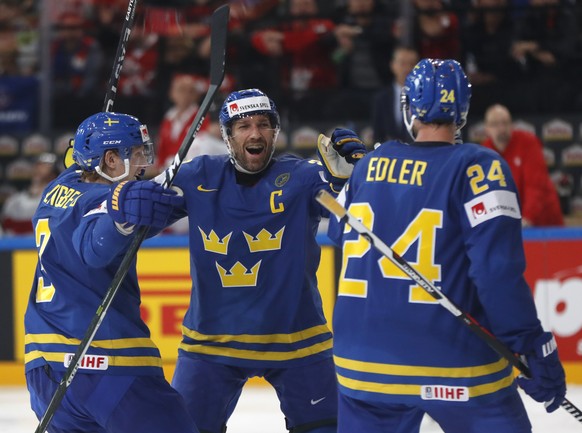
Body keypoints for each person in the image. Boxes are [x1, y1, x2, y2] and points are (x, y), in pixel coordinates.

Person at [327, 59, 566, 432]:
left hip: (361, 365)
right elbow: (496, 272)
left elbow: (341, 235)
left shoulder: (369, 164)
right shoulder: (480, 166)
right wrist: (532, 346)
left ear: (409, 108)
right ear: (463, 111)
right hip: (453, 364)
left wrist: (363, 176)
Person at [160, 88, 366, 433]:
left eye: (263, 124)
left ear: (275, 132)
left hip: (298, 341)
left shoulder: (305, 177)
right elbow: (138, 218)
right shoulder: (197, 175)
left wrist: (352, 180)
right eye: (242, 126)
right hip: (211, 345)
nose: (254, 133)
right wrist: (125, 200)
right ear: (227, 136)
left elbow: (353, 224)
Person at [24, 112, 199, 433]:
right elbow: (94, 246)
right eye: (136, 154)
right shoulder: (103, 202)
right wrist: (121, 218)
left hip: (45, 372)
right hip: (109, 367)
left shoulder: (58, 187)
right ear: (110, 159)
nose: (144, 163)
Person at [482, 103, 564, 227]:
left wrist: (527, 219)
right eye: (495, 124)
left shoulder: (528, 143)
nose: (502, 129)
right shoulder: (484, 151)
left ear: (512, 125)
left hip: (543, 222)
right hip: (511, 224)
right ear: (486, 129)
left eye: (505, 123)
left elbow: (535, 186)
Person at [1, 152, 59, 235]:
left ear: (54, 173)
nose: (39, 168)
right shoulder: (14, 200)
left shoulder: (57, 200)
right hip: (16, 245)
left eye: (46, 165)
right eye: (38, 164)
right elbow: (6, 227)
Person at [371, 45, 419, 144]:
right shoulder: (381, 98)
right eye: (402, 63)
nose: (407, 69)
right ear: (393, 65)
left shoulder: (424, 98)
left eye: (412, 64)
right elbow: (377, 135)